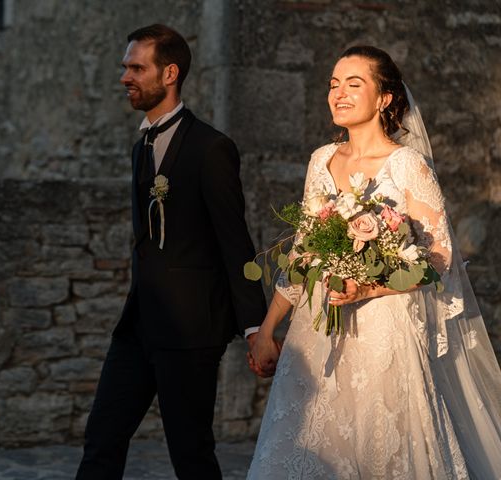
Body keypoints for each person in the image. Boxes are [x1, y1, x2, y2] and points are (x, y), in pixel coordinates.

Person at [247, 45, 501, 479]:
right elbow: (304, 251)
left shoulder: (407, 165)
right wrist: (268, 328)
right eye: (333, 84)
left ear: (384, 98)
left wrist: (368, 287)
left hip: (384, 331)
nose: (338, 93)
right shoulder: (321, 160)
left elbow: (440, 258)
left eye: (353, 83)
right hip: (318, 330)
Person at [76, 24, 267, 480]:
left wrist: (257, 326)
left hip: (191, 331)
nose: (126, 77)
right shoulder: (140, 147)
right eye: (125, 67)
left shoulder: (211, 148)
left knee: (191, 453)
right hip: (137, 326)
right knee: (101, 438)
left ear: (170, 73)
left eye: (136, 67)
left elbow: (234, 240)